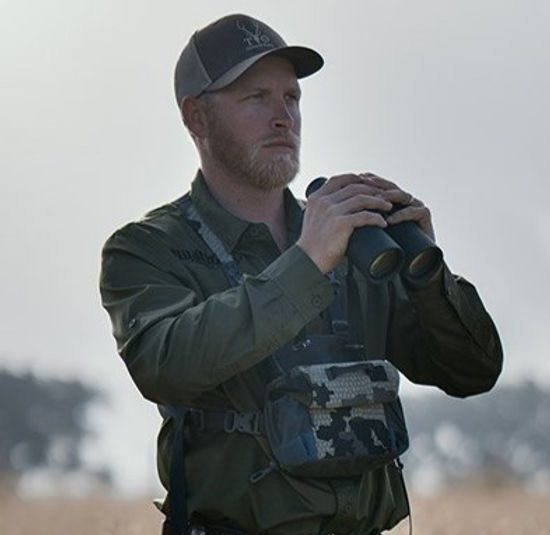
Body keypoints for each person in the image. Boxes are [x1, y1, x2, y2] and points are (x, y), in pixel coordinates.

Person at [99, 13, 503, 535]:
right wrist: (307, 264)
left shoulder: (355, 241)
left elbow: (473, 371)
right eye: (256, 98)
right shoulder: (148, 248)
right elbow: (166, 363)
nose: (282, 117)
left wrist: (429, 277)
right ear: (196, 118)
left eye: (291, 98)